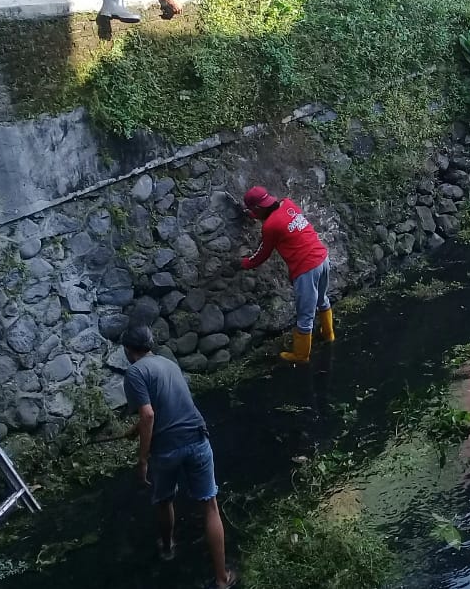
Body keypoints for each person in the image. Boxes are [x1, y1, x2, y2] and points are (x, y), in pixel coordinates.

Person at [120, 325, 237, 589]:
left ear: (128, 350)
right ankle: (222, 579)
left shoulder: (135, 372)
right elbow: (168, 407)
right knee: (210, 505)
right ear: (150, 344)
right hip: (197, 438)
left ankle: (168, 547)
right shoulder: (168, 363)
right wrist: (136, 429)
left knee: (164, 500)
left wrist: (142, 459)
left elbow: (149, 414)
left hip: (166, 449)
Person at [238, 186, 332, 363]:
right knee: (322, 299)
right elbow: (276, 218)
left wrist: (244, 263)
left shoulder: (270, 226)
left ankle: (301, 356)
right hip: (322, 258)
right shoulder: (287, 204)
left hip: (306, 268)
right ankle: (329, 335)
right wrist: (253, 215)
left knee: (305, 315)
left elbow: (263, 253)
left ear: (257, 208)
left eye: (254, 211)